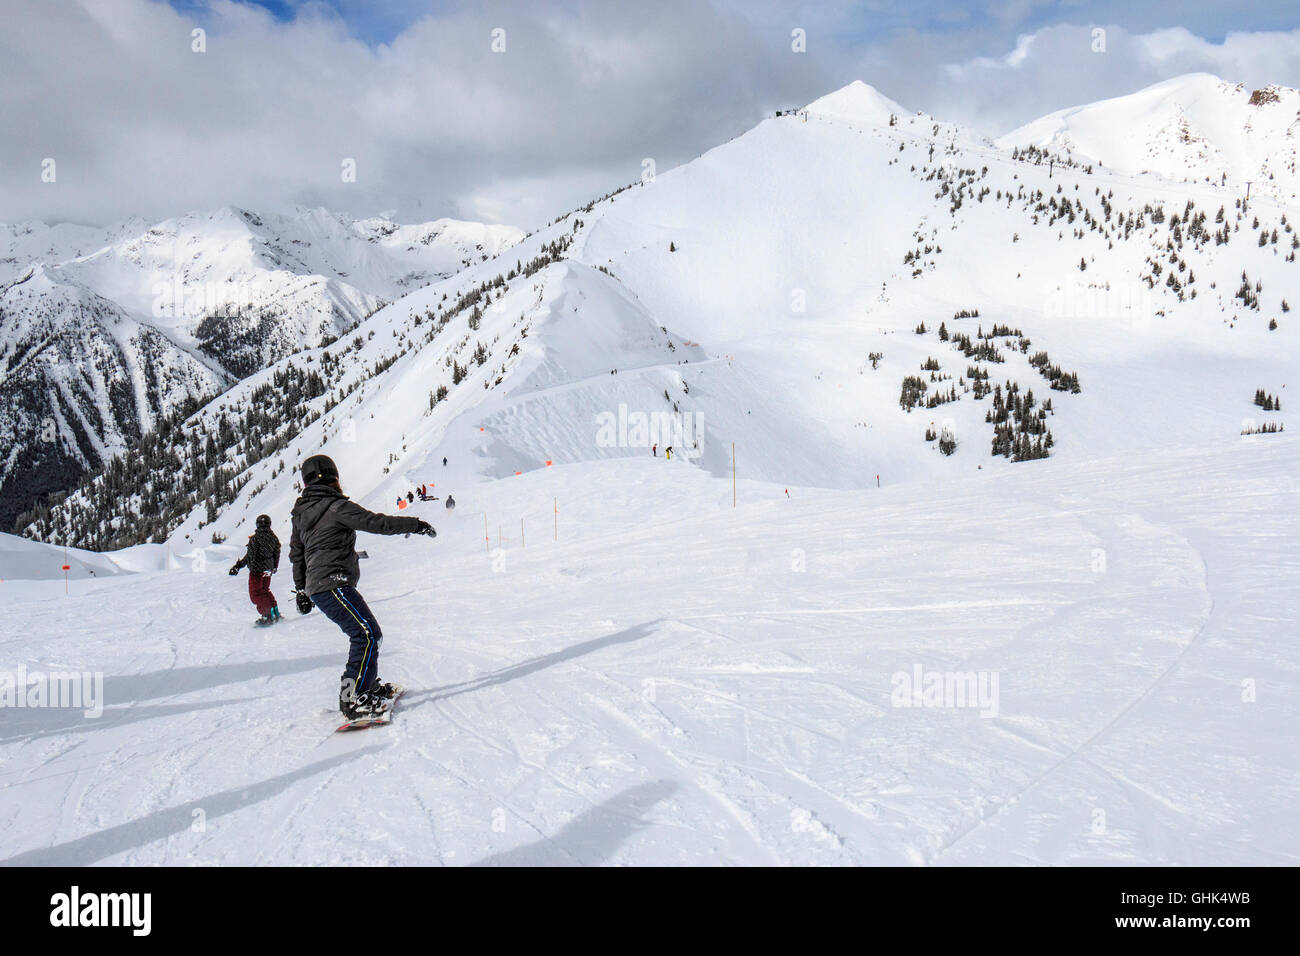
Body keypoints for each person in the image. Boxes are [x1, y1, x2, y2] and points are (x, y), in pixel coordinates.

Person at [290, 454, 436, 719]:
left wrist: (301, 589)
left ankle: (363, 688)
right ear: (334, 477)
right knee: (367, 635)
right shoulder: (335, 507)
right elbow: (376, 522)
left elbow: (297, 555)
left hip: (322, 586)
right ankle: (353, 700)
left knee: (365, 634)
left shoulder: (300, 514)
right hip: (333, 582)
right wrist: (415, 524)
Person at [229, 514, 281, 626]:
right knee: (265, 590)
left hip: (257, 570)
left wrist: (238, 566)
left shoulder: (255, 538)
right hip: (268, 570)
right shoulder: (273, 537)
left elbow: (250, 556)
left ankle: (267, 615)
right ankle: (274, 612)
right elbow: (277, 552)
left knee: (256, 594)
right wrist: (274, 567)